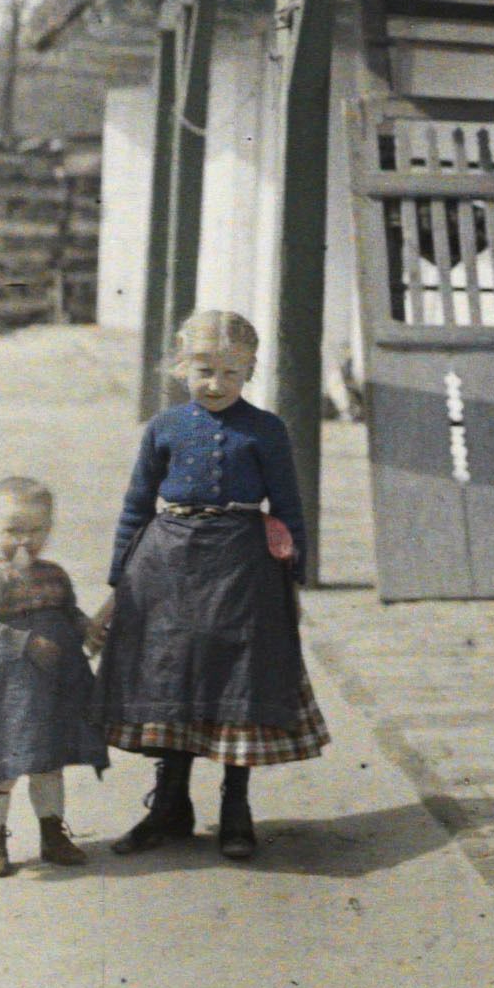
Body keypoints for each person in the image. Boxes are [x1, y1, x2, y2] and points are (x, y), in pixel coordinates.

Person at [91, 309, 328, 860]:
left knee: (236, 681)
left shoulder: (267, 429)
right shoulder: (164, 428)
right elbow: (135, 506)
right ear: (179, 367)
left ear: (249, 370)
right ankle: (169, 807)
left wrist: (293, 580)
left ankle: (235, 808)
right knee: (172, 678)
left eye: (230, 372)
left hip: (244, 570)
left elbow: (290, 508)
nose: (215, 384)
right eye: (203, 371)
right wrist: (119, 582)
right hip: (166, 565)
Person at [0, 476, 107, 878]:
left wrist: (87, 626)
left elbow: (69, 610)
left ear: (49, 530)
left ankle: (53, 834)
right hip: (6, 691)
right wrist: (26, 643)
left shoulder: (54, 574)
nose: (25, 540)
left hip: (52, 687)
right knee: (3, 767)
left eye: (36, 530)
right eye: (13, 530)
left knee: (47, 763)